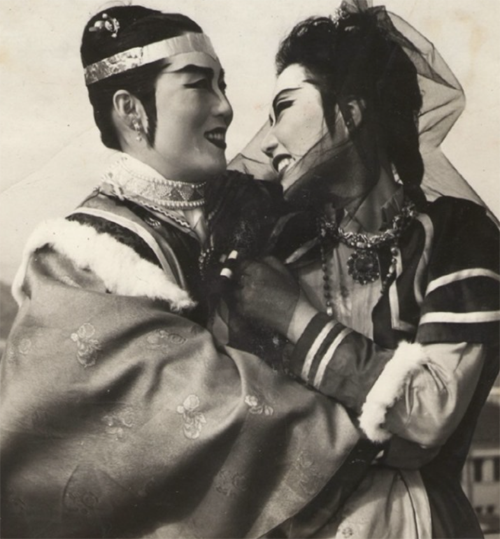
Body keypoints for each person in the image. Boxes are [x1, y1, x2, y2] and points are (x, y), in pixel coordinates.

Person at [0, 5, 403, 539]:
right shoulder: (75, 260)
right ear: (131, 110)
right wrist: (382, 412)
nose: (227, 107)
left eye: (223, 85)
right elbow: (175, 412)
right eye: (198, 85)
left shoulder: (263, 210)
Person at [225, 1, 500, 538]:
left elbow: (430, 415)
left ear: (351, 112)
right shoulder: (283, 255)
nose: (269, 140)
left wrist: (293, 316)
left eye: (284, 108)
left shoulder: (456, 235)